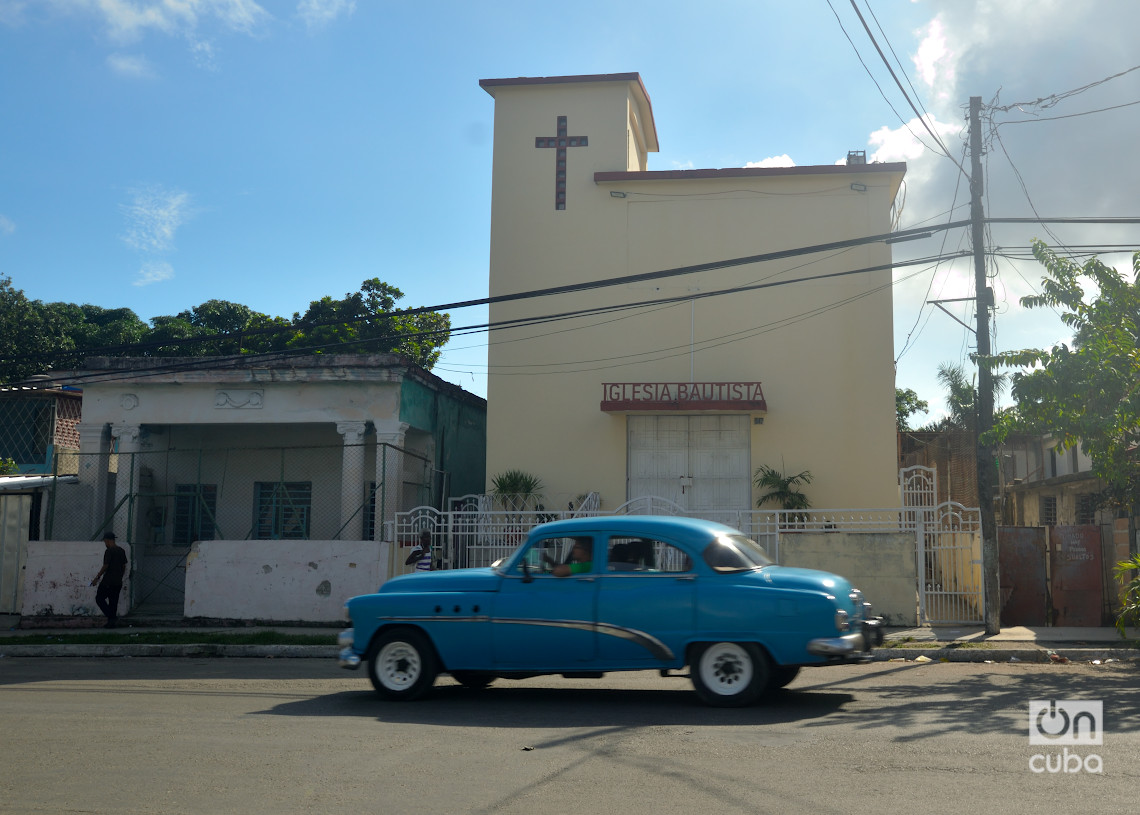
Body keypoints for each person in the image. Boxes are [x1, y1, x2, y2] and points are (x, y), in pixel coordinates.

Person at [90, 531, 128, 628]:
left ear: (107, 540)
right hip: (118, 582)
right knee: (113, 602)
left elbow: (105, 566)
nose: (105, 543)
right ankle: (111, 623)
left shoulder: (109, 551)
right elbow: (124, 566)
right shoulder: (121, 551)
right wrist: (120, 576)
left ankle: (111, 617)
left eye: (105, 541)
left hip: (108, 581)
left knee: (99, 598)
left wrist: (97, 578)